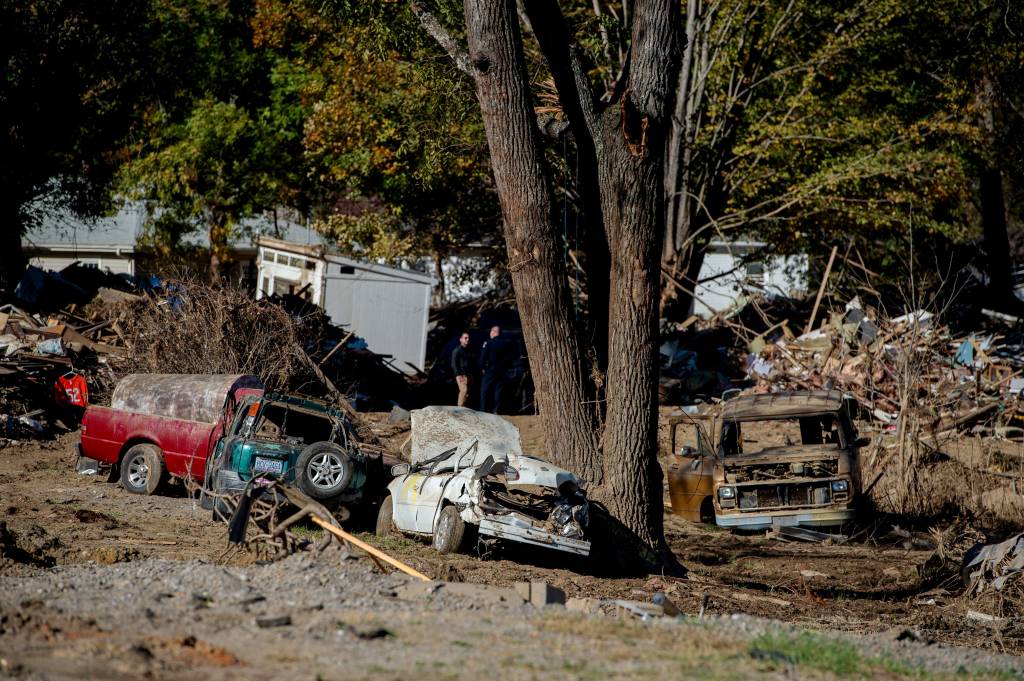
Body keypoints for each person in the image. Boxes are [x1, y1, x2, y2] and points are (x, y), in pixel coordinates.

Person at [479, 325, 511, 413]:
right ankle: (497, 410)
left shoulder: (488, 343)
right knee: (498, 390)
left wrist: (481, 367)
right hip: (501, 370)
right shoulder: (505, 343)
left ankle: (483, 410)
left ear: (494, 332)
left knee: (484, 389)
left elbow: (483, 357)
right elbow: (509, 358)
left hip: (490, 370)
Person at [451, 331, 475, 407]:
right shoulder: (457, 350)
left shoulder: (470, 349)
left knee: (467, 393)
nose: (467, 339)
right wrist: (459, 375)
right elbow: (454, 364)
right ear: (461, 339)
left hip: (469, 374)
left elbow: (472, 362)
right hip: (461, 374)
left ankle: (464, 408)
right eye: (465, 338)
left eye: (468, 338)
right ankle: (459, 409)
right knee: (463, 390)